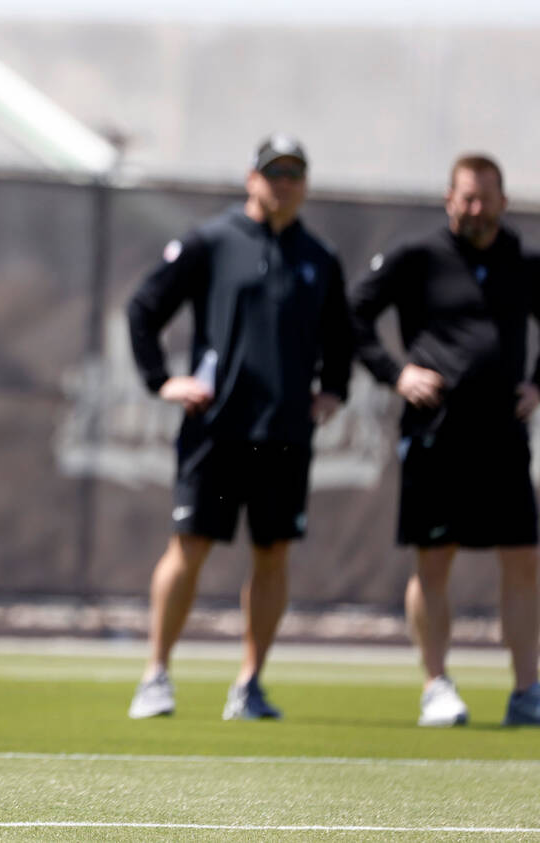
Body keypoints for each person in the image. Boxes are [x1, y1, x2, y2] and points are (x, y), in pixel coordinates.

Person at [126, 135, 352, 721]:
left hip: (284, 435)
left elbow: (342, 337)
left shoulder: (319, 258)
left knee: (273, 555)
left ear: (305, 185)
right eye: (273, 172)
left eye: (294, 174)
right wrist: (161, 381)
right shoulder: (213, 241)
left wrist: (334, 391)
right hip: (215, 429)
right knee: (190, 547)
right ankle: (156, 675)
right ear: (251, 178)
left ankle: (249, 683)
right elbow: (144, 307)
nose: (283, 183)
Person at [349, 153, 540, 728]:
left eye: (484, 198)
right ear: (448, 199)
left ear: (504, 202)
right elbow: (353, 315)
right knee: (434, 562)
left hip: (503, 436)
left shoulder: (522, 262)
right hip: (436, 435)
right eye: (464, 197)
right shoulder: (417, 258)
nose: (474, 208)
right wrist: (395, 372)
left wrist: (538, 384)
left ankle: (527, 690)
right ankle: (437, 684)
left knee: (525, 561)